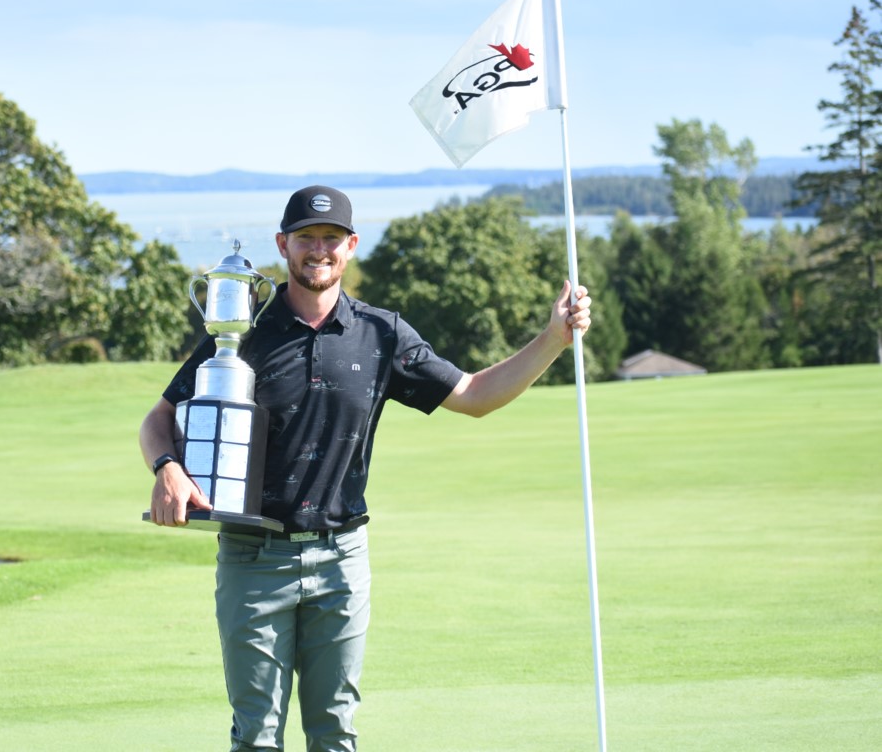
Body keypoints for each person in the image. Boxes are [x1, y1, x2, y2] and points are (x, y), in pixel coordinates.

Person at [139, 185, 592, 751]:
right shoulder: (243, 331)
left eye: (332, 239)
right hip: (254, 559)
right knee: (255, 737)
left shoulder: (382, 334)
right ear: (283, 245)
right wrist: (168, 468)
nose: (319, 250)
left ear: (351, 246)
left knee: (335, 735)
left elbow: (475, 395)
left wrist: (553, 338)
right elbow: (159, 419)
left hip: (340, 561)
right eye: (306, 238)